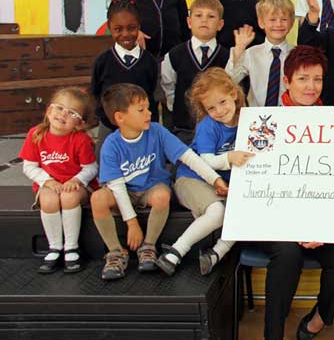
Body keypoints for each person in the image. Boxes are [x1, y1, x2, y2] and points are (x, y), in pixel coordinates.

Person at [258, 46, 334, 340]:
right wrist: (296, 226)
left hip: (323, 221)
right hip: (277, 219)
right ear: (287, 81)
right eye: (302, 79)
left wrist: (321, 225)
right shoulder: (265, 124)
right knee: (287, 256)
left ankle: (320, 318)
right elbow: (262, 184)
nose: (311, 87)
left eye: (317, 79)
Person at [90, 83, 226, 281]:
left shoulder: (157, 131)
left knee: (162, 195)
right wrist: (132, 223)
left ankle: (149, 246)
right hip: (125, 193)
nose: (149, 113)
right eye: (141, 110)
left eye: (148, 107)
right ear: (120, 117)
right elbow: (117, 188)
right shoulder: (111, 145)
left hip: (151, 189)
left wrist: (215, 179)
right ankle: (115, 252)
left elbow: (188, 157)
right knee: (97, 199)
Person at [156, 69, 253, 276]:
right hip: (192, 178)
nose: (219, 110)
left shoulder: (248, 119)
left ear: (233, 94)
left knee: (246, 208)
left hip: (224, 184)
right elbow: (206, 160)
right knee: (217, 212)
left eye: (223, 102)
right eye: (211, 107)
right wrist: (229, 158)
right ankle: (175, 251)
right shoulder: (208, 126)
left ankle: (217, 253)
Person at [19, 87, 99, 274]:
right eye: (60, 108)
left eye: (72, 113)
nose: (63, 114)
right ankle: (55, 246)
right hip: (50, 184)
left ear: (79, 123)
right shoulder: (35, 134)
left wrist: (76, 180)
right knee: (49, 200)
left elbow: (91, 168)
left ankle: (71, 247)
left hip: (76, 186)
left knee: (69, 198)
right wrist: (47, 181)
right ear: (49, 110)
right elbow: (29, 167)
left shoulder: (80, 139)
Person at [90, 0, 159, 154]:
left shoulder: (149, 62)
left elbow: (152, 94)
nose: (126, 34)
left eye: (131, 28)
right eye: (118, 29)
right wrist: (107, 119)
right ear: (109, 28)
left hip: (141, 128)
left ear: (139, 27)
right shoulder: (102, 61)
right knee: (105, 161)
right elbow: (95, 93)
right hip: (110, 127)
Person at [160, 0, 230, 143]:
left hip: (219, 129)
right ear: (189, 22)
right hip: (184, 129)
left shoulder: (227, 56)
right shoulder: (174, 55)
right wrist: (176, 107)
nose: (204, 20)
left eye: (211, 16)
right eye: (198, 15)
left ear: (220, 24)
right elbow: (168, 84)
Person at [225, 0, 294, 107]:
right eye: (272, 19)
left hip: (288, 115)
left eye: (284, 19)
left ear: (292, 23)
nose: (278, 24)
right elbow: (228, 81)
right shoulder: (251, 54)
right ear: (261, 22)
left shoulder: (297, 55)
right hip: (256, 115)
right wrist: (239, 48)